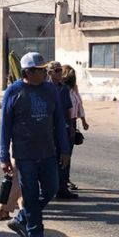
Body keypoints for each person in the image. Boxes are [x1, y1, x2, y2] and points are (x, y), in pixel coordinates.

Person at [1, 52, 71, 237]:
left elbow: (59, 121)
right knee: (30, 195)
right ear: (28, 72)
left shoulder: (50, 90)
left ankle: (22, 218)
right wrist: (3, 155)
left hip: (48, 151)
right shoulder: (14, 91)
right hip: (25, 154)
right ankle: (36, 235)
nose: (45, 74)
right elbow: (5, 126)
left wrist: (64, 149)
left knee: (51, 188)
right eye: (41, 71)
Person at [47, 61, 78, 200]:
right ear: (50, 73)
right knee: (49, 159)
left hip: (63, 128)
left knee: (65, 157)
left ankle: (62, 187)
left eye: (60, 70)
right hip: (48, 129)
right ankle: (48, 187)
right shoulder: (44, 88)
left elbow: (68, 108)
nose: (60, 73)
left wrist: (72, 126)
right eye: (57, 71)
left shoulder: (63, 88)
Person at [61, 65, 89, 191]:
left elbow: (79, 105)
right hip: (63, 123)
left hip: (73, 122)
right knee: (63, 152)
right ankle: (61, 181)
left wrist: (83, 120)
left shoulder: (74, 89)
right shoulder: (61, 89)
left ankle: (65, 179)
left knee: (68, 153)